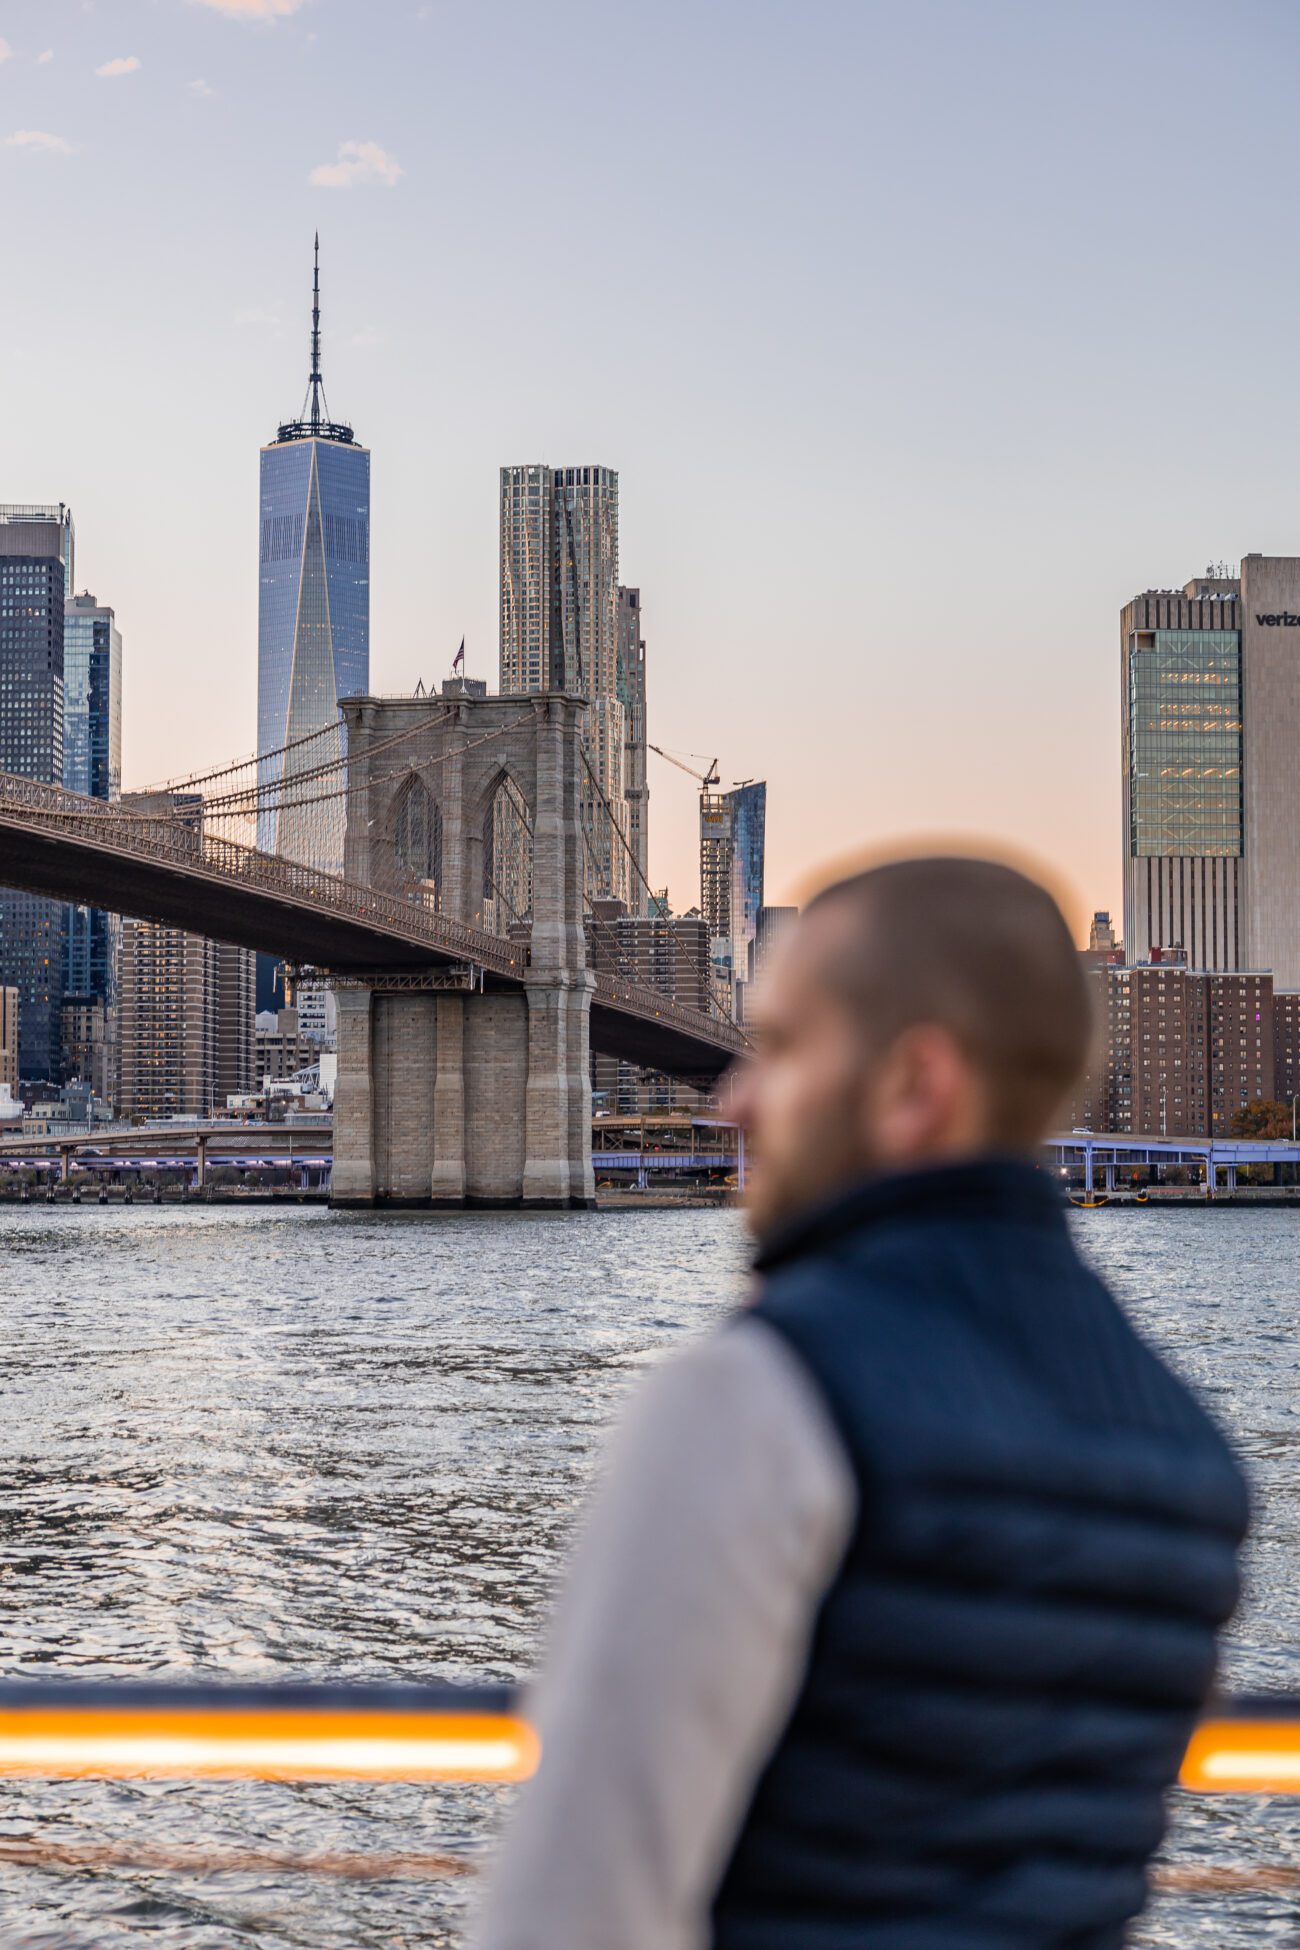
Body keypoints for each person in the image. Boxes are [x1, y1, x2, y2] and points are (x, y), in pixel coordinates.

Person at [472, 856, 1248, 1950]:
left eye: (783, 1047)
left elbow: (575, 1908)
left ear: (913, 1084)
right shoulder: (1188, 1459)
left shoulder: (755, 1400)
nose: (734, 1096)